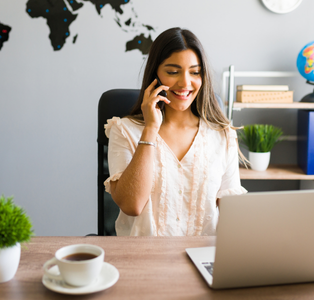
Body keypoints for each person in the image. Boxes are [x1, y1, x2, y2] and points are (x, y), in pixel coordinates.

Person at [104, 27, 247, 236]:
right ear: (155, 75)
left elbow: (234, 217)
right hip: (142, 261)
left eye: (195, 72)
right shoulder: (124, 131)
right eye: (172, 72)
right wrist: (151, 129)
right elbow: (131, 206)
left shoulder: (222, 135)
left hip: (202, 259)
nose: (185, 83)